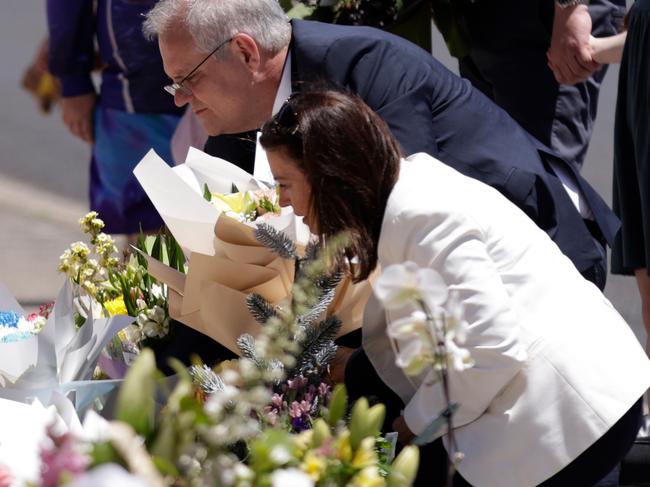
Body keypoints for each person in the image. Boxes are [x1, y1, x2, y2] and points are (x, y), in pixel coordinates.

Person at [259, 88, 650, 487]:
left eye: (285, 184)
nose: (282, 201)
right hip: (561, 400)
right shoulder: (408, 191)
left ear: (330, 176)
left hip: (570, 413)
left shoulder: (422, 214)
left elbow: (490, 348)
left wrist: (410, 425)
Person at [142, 0, 618, 292]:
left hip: (542, 256)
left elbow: (400, 209)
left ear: (246, 52)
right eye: (173, 85)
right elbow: (231, 221)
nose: (181, 99)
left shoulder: (366, 67)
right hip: (443, 284)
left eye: (188, 79)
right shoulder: (235, 111)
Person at [433, 0, 625, 170]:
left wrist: (571, 7)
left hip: (549, 19)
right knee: (486, 172)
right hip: (479, 18)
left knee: (539, 180)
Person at [46, 0, 184, 235]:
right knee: (151, 238)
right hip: (138, 100)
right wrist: (73, 81)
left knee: (229, 223)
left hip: (228, 77)